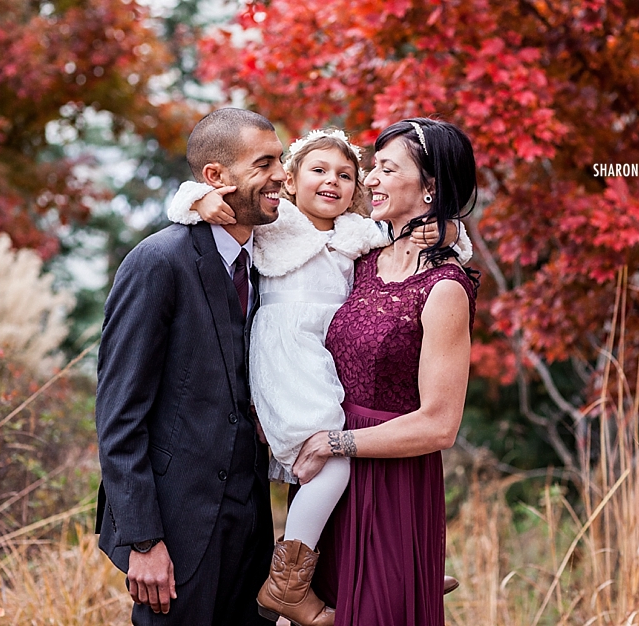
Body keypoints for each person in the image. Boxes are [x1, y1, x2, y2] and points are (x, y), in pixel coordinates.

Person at [167, 128, 471, 626]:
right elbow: (210, 195)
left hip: (352, 423)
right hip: (302, 383)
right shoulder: (292, 227)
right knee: (329, 479)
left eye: (373, 171)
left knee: (369, 573)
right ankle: (292, 583)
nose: (359, 180)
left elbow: (441, 243)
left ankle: (399, 569)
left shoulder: (369, 243)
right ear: (290, 179)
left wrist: (453, 230)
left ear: (429, 185)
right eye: (322, 171)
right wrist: (201, 201)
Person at [94, 107, 284, 625]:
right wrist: (143, 539)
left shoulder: (272, 261)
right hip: (173, 536)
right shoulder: (159, 261)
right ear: (215, 178)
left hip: (251, 530)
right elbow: (119, 415)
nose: (282, 175)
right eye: (264, 163)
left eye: (282, 160)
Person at [293, 118, 479, 626]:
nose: (370, 179)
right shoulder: (363, 257)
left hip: (390, 486)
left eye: (386, 169)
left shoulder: (445, 289)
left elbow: (440, 424)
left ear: (431, 186)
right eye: (372, 168)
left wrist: (337, 443)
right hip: (328, 487)